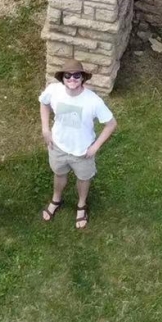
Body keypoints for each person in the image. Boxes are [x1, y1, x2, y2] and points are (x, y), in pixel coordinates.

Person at [39, 59, 116, 230]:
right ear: (62, 77)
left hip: (82, 151)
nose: (72, 78)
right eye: (68, 75)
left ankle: (81, 205)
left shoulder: (93, 101)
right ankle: (56, 199)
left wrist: (95, 147)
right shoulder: (53, 91)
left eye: (76, 75)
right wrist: (45, 129)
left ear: (82, 78)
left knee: (83, 178)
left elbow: (111, 124)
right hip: (57, 146)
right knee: (59, 174)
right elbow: (44, 104)